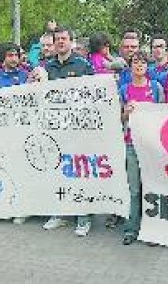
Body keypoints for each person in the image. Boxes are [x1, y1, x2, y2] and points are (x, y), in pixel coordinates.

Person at [42, 26, 95, 236]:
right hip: (56, 129)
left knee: (80, 171)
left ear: (71, 42)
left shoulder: (83, 65)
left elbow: (93, 94)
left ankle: (84, 218)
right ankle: (59, 214)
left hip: (79, 129)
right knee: (57, 171)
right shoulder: (48, 67)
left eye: (64, 39)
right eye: (57, 39)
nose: (61, 42)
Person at [117, 52, 165, 245]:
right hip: (130, 144)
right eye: (135, 62)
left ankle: (152, 229)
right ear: (130, 67)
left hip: (151, 145)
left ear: (148, 67)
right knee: (134, 188)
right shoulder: (124, 89)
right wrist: (125, 113)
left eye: (143, 62)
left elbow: (163, 114)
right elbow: (118, 118)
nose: (139, 65)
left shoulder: (155, 88)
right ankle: (131, 228)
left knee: (152, 187)